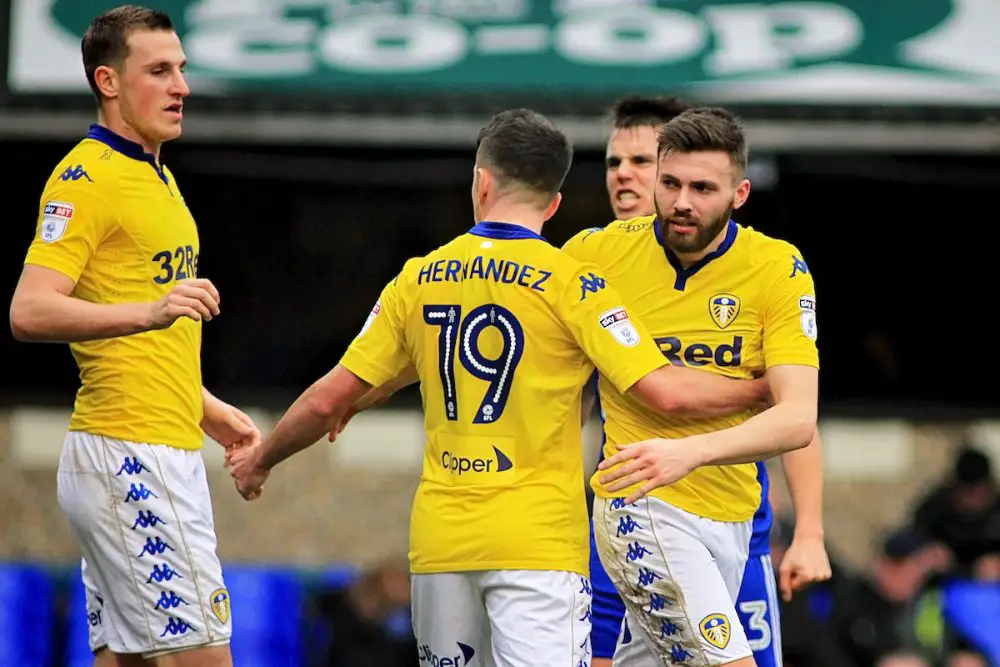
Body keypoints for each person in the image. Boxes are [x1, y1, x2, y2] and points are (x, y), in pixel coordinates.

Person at [227, 108, 773, 667]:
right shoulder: (574, 284)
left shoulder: (418, 278)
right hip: (538, 544)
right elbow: (664, 391)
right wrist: (759, 392)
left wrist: (261, 460)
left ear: (481, 183)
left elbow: (329, 398)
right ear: (554, 204)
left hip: (441, 543)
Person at [9, 6, 259, 666]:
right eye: (159, 71)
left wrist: (203, 406)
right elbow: (29, 310)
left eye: (182, 69)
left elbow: (141, 332)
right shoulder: (85, 179)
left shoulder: (157, 175)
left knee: (127, 660)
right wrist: (152, 310)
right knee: (206, 657)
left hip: (156, 445)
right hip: (130, 454)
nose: (182, 86)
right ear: (109, 81)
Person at [582, 94, 832, 667]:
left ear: (739, 194)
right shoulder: (595, 256)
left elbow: (798, 418)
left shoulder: (776, 267)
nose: (681, 201)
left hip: (735, 519)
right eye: (669, 183)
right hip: (642, 506)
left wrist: (810, 531)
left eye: (702, 188)